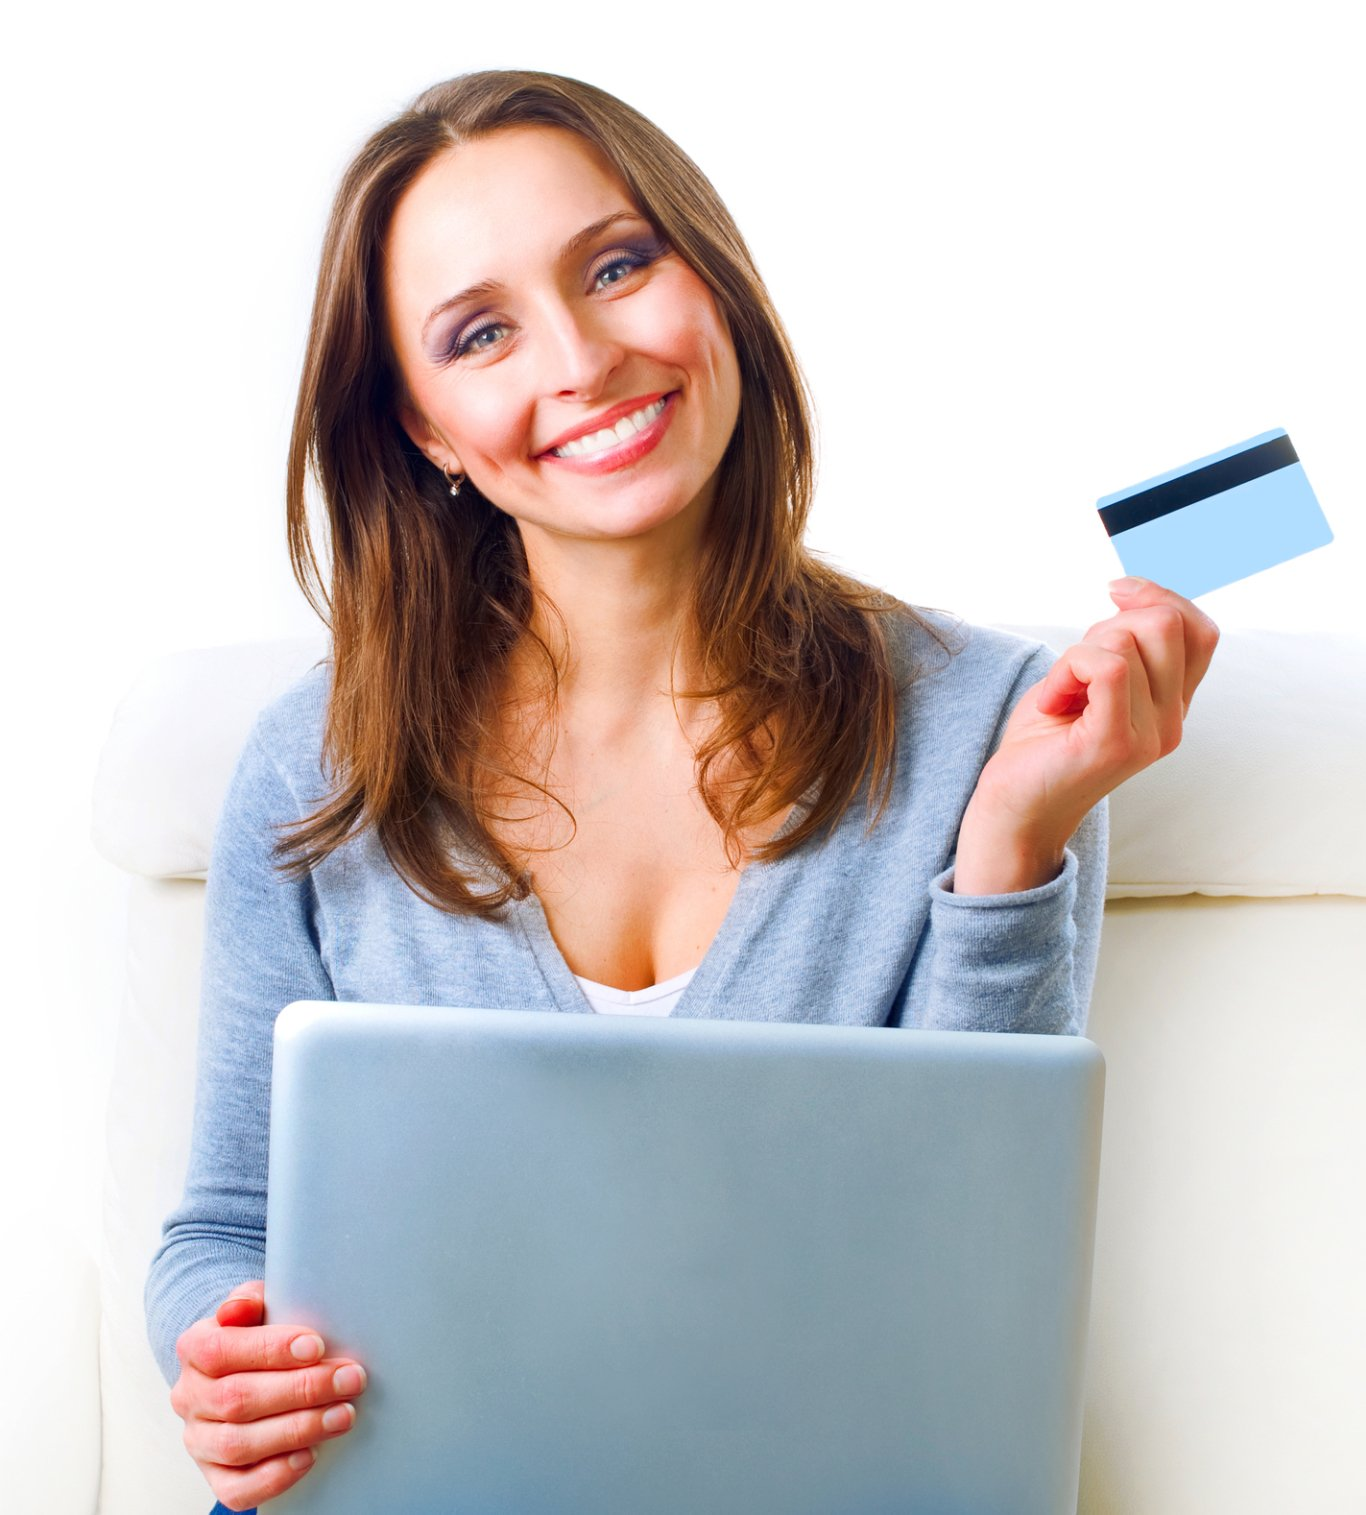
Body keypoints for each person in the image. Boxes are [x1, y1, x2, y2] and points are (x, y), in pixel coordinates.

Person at [147, 69, 1218, 1513]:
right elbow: (219, 1228)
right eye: (480, 334)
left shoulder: (989, 726)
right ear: (426, 432)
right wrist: (219, 1362)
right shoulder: (314, 761)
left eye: (616, 264)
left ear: (709, 283)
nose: (581, 358)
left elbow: (964, 1280)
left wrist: (1009, 844)